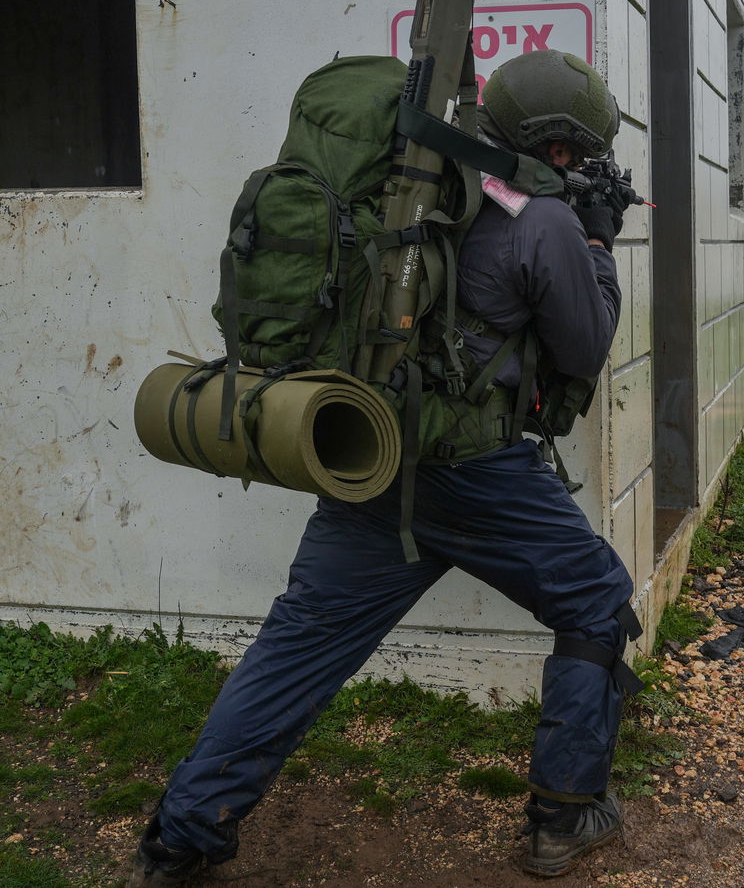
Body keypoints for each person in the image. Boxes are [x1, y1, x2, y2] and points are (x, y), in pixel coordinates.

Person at [128, 49, 637, 886]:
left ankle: (182, 838)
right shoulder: (545, 219)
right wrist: (597, 242)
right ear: (554, 148)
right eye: (573, 156)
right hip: (477, 471)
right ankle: (565, 812)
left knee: (301, 641)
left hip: (372, 454)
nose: (575, 169)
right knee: (594, 601)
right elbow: (586, 341)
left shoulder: (416, 178)